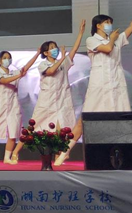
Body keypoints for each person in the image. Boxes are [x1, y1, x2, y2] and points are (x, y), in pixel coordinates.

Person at [55, 11, 132, 165]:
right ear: (98, 25)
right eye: (106, 22)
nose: (110, 25)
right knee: (83, 121)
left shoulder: (116, 39)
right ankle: (65, 152)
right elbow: (108, 49)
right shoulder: (91, 40)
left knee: (120, 121)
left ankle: (122, 157)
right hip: (99, 86)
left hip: (117, 86)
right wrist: (113, 39)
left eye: (110, 22)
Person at [10, 20, 86, 164]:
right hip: (47, 101)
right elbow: (51, 71)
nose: (55, 49)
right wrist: (62, 58)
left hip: (62, 99)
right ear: (45, 53)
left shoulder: (63, 62)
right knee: (34, 128)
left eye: (55, 47)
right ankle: (15, 152)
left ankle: (58, 155)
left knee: (62, 129)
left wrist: (81, 33)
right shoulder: (43, 64)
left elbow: (74, 51)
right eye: (52, 48)